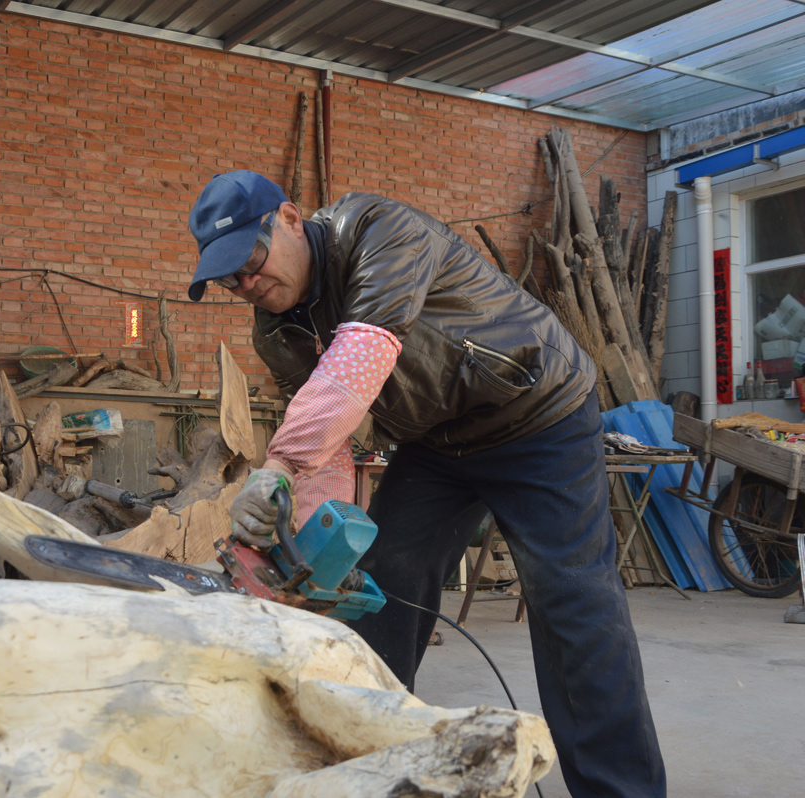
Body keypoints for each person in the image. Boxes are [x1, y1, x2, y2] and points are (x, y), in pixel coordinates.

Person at [185, 169, 666, 798]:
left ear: (290, 218)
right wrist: (306, 557)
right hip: (438, 442)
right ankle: (364, 764)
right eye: (229, 278)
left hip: (536, 414)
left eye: (250, 258)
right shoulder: (277, 332)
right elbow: (326, 450)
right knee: (380, 585)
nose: (247, 283)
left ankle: (621, 789)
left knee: (572, 599)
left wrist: (275, 465)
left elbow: (358, 362)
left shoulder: (377, 230)